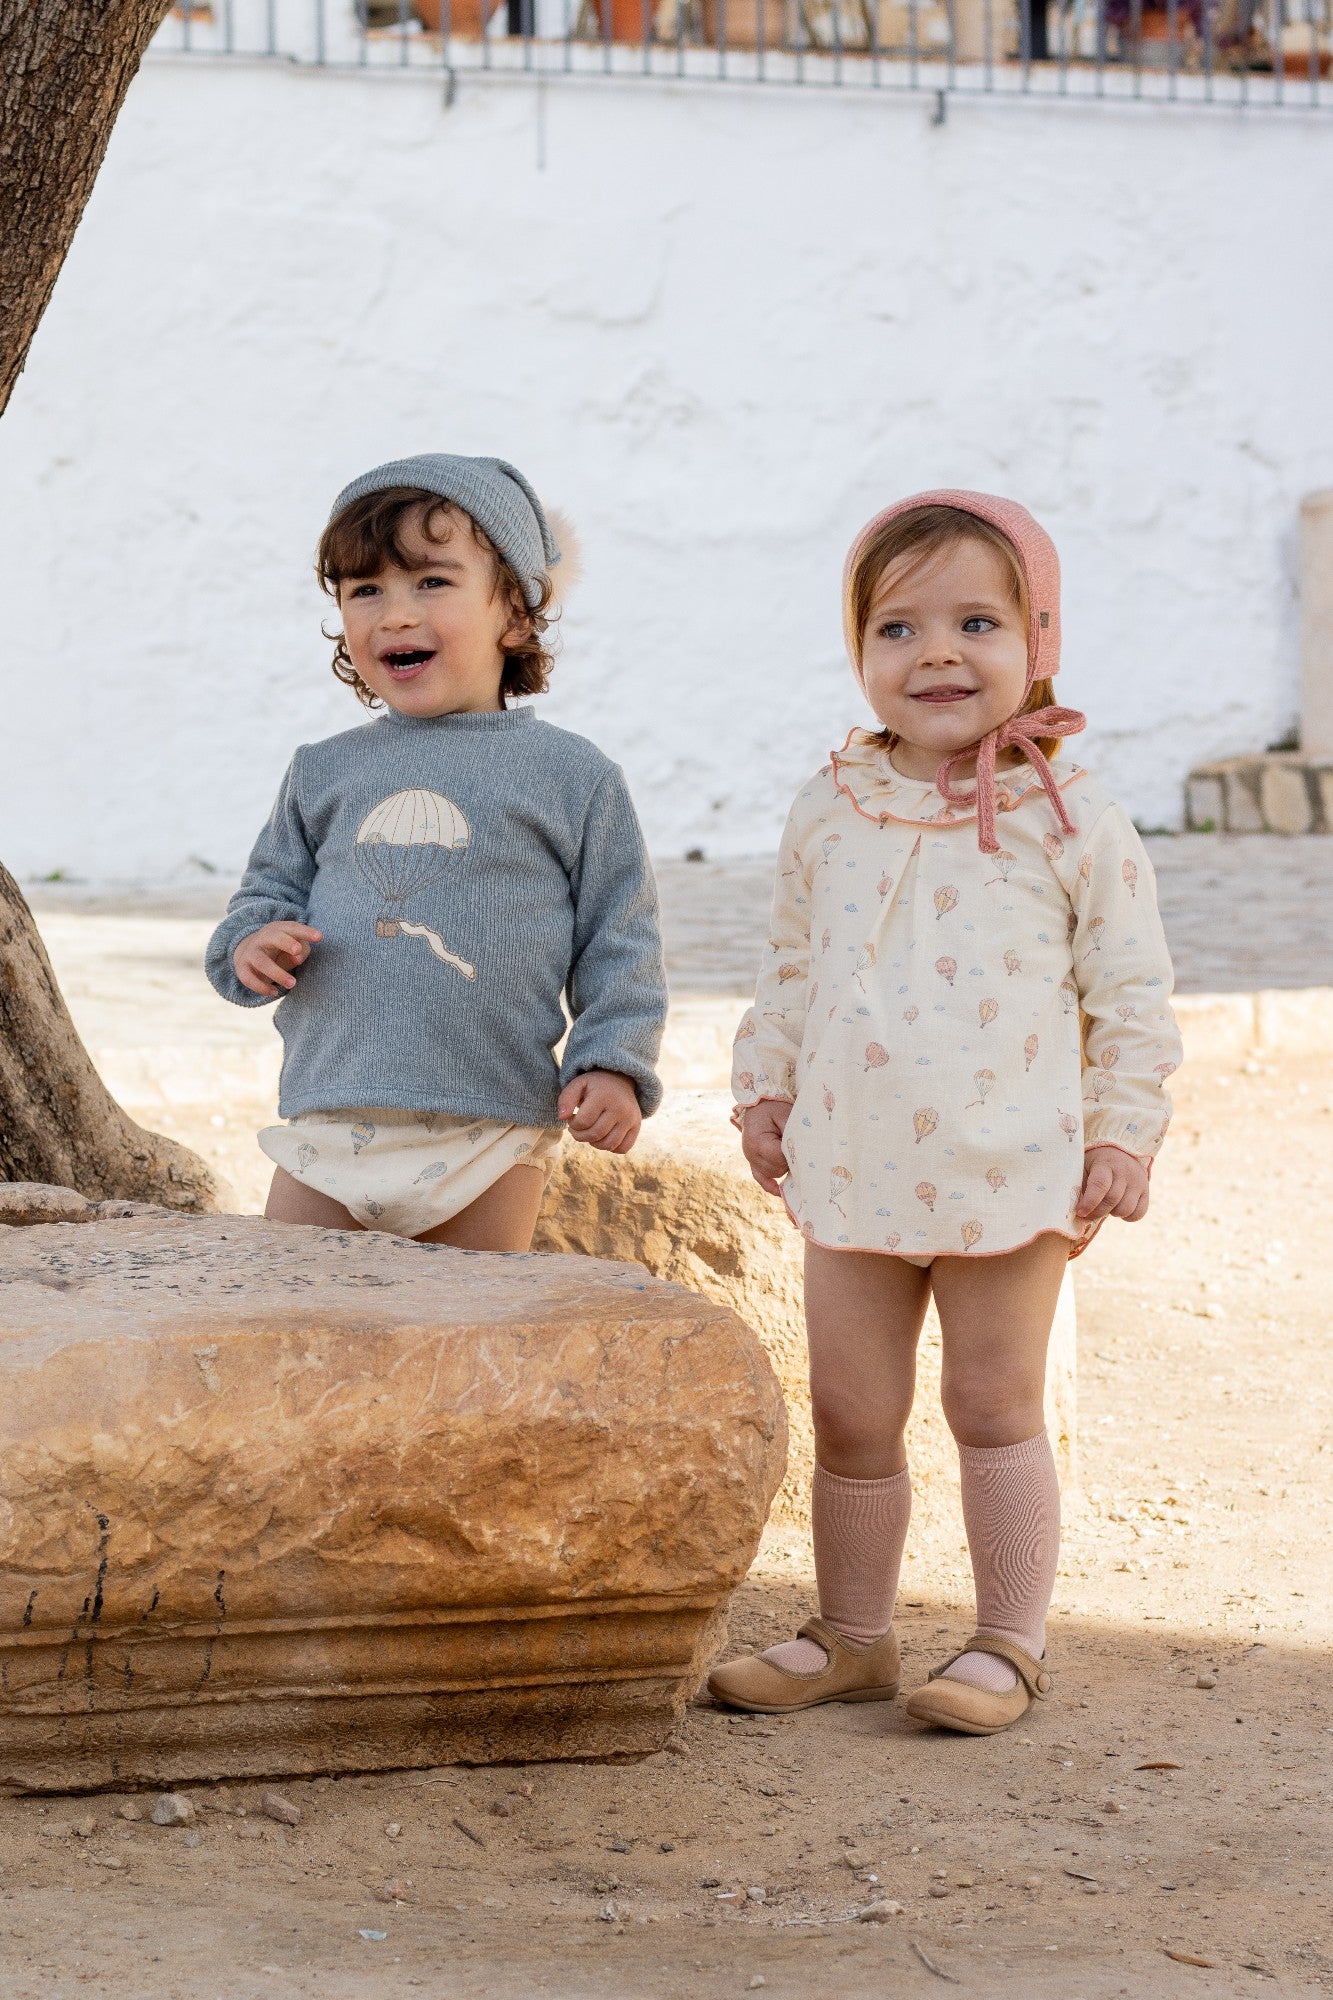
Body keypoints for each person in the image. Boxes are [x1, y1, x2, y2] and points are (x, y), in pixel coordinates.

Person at [709, 490, 1182, 1735]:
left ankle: (1007, 1640)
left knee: (991, 1402)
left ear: (1040, 638)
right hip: (852, 1154)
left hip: (1010, 1165)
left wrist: (1122, 1128)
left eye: (977, 622)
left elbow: (1130, 989)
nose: (936, 654)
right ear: (858, 647)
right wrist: (767, 1084)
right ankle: (852, 1636)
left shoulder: (1071, 814)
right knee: (851, 1409)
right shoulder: (831, 804)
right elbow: (792, 960)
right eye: (896, 628)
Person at [206, 453, 666, 1252]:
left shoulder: (572, 775)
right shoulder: (323, 770)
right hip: (331, 1117)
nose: (394, 615)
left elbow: (620, 937)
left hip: (491, 1125)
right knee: (297, 1310)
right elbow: (265, 894)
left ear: (515, 612)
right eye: (365, 590)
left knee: (473, 1319)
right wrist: (253, 944)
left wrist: (613, 1062)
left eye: (430, 581)